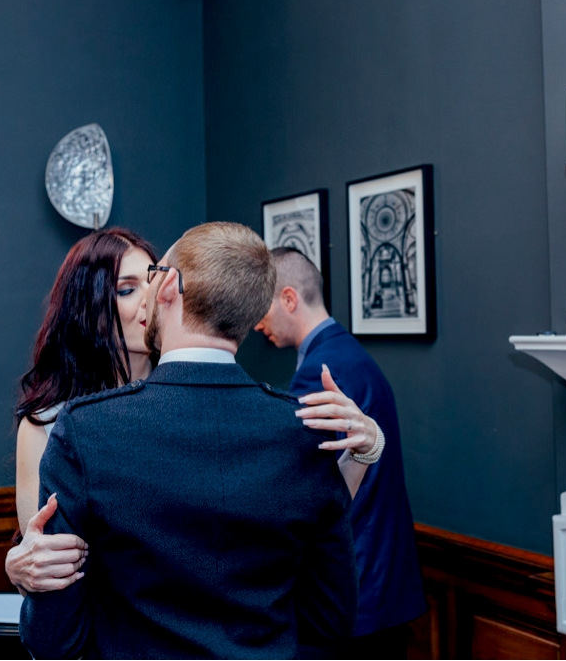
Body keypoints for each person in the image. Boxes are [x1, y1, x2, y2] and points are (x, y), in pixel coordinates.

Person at [20, 222, 360, 659]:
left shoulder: (85, 430)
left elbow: (54, 636)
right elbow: (331, 617)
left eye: (152, 276)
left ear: (168, 287)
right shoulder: (302, 429)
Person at [254, 247, 427, 659]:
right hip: (385, 580)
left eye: (262, 308)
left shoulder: (322, 372)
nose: (257, 324)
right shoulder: (350, 353)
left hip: (356, 587)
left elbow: (300, 486)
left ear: (289, 299)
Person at [8, 228, 158, 593]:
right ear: (89, 306)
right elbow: (41, 560)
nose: (150, 300)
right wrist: (22, 565)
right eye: (127, 289)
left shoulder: (187, 396)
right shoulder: (47, 423)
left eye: (155, 283)